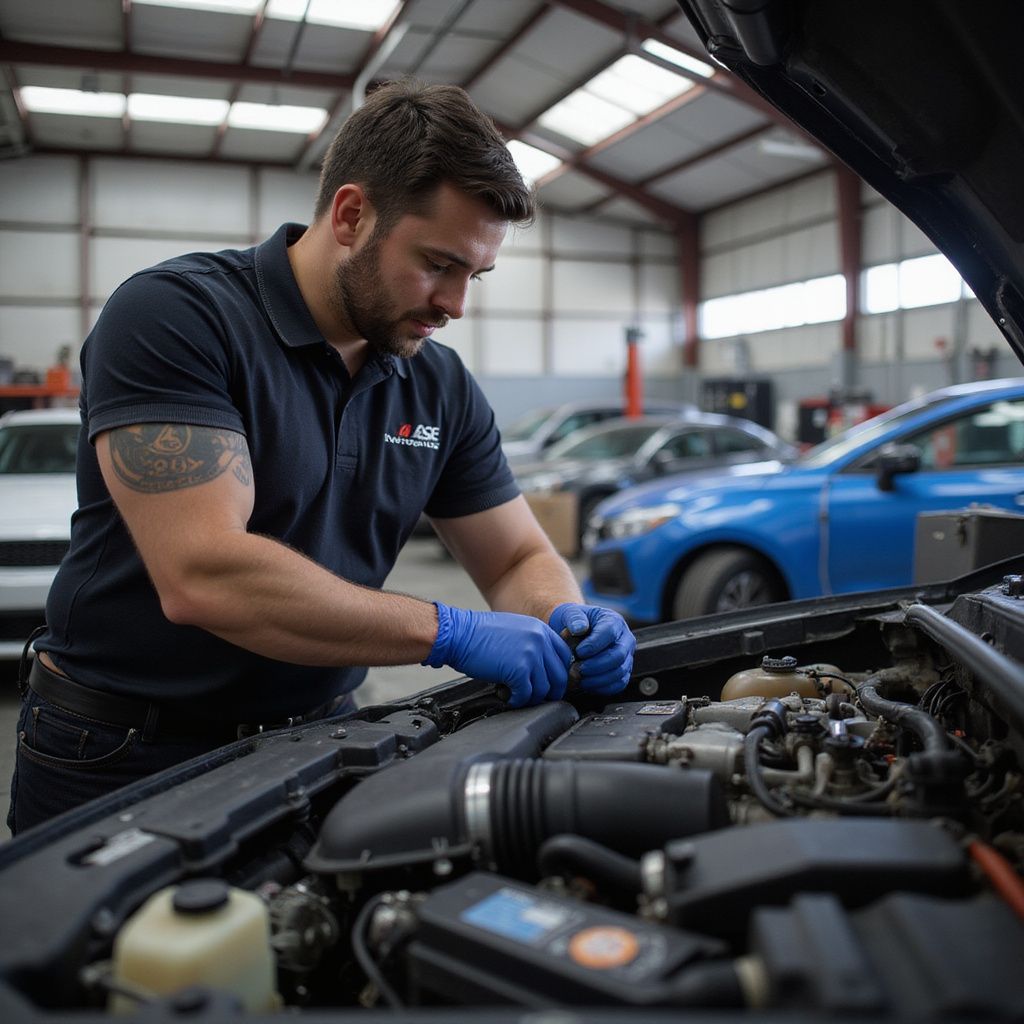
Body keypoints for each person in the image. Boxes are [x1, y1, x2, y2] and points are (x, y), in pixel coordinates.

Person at [8, 80, 635, 834]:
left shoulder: (436, 383)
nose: (456, 304)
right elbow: (204, 572)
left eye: (476, 274)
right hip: (124, 749)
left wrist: (564, 618)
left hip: (323, 739)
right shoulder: (179, 316)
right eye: (439, 263)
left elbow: (513, 559)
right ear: (350, 215)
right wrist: (449, 632)